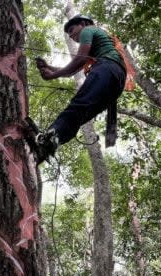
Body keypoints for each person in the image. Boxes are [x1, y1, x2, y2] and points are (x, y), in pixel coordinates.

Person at [32, 14, 127, 164]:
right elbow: (72, 70)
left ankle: (50, 136)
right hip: (116, 80)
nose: (70, 35)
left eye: (71, 29)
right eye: (68, 33)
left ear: (83, 23)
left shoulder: (88, 30)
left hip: (107, 68)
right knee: (81, 113)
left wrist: (52, 75)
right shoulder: (98, 45)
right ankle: (50, 144)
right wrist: (49, 68)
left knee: (78, 105)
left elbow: (80, 59)